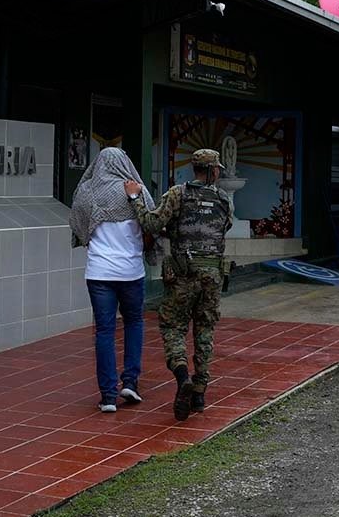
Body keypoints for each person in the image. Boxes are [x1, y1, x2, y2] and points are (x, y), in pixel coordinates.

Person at [125, 149, 231, 421]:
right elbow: (223, 228)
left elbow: (151, 222)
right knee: (205, 331)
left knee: (173, 326)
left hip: (183, 275)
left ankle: (182, 375)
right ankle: (199, 393)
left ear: (194, 168)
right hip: (213, 277)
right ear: (214, 171)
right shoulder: (223, 199)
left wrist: (135, 198)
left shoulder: (177, 193)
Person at [71, 147, 158, 413]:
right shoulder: (137, 191)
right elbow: (153, 225)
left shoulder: (86, 193)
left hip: (98, 273)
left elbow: (77, 226)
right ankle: (130, 382)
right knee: (134, 324)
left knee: (105, 332)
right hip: (131, 272)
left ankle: (108, 396)